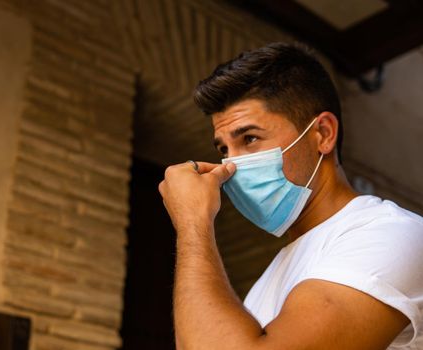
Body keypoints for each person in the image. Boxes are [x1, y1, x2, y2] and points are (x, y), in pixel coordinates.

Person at [158, 42, 423, 349]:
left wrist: (193, 222)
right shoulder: (275, 273)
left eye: (250, 138)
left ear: (322, 134)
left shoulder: (390, 234)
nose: (230, 164)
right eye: (223, 149)